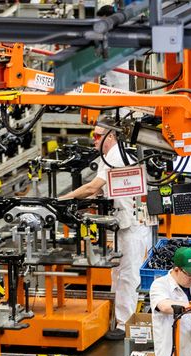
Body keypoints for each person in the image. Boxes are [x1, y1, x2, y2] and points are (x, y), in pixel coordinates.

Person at [60, 126, 154, 340]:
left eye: (97, 136)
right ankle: (117, 317)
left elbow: (92, 188)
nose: (93, 140)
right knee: (118, 272)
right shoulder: (108, 156)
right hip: (124, 225)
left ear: (110, 136)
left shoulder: (116, 157)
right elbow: (101, 189)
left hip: (134, 226)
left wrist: (61, 201)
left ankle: (125, 325)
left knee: (128, 275)